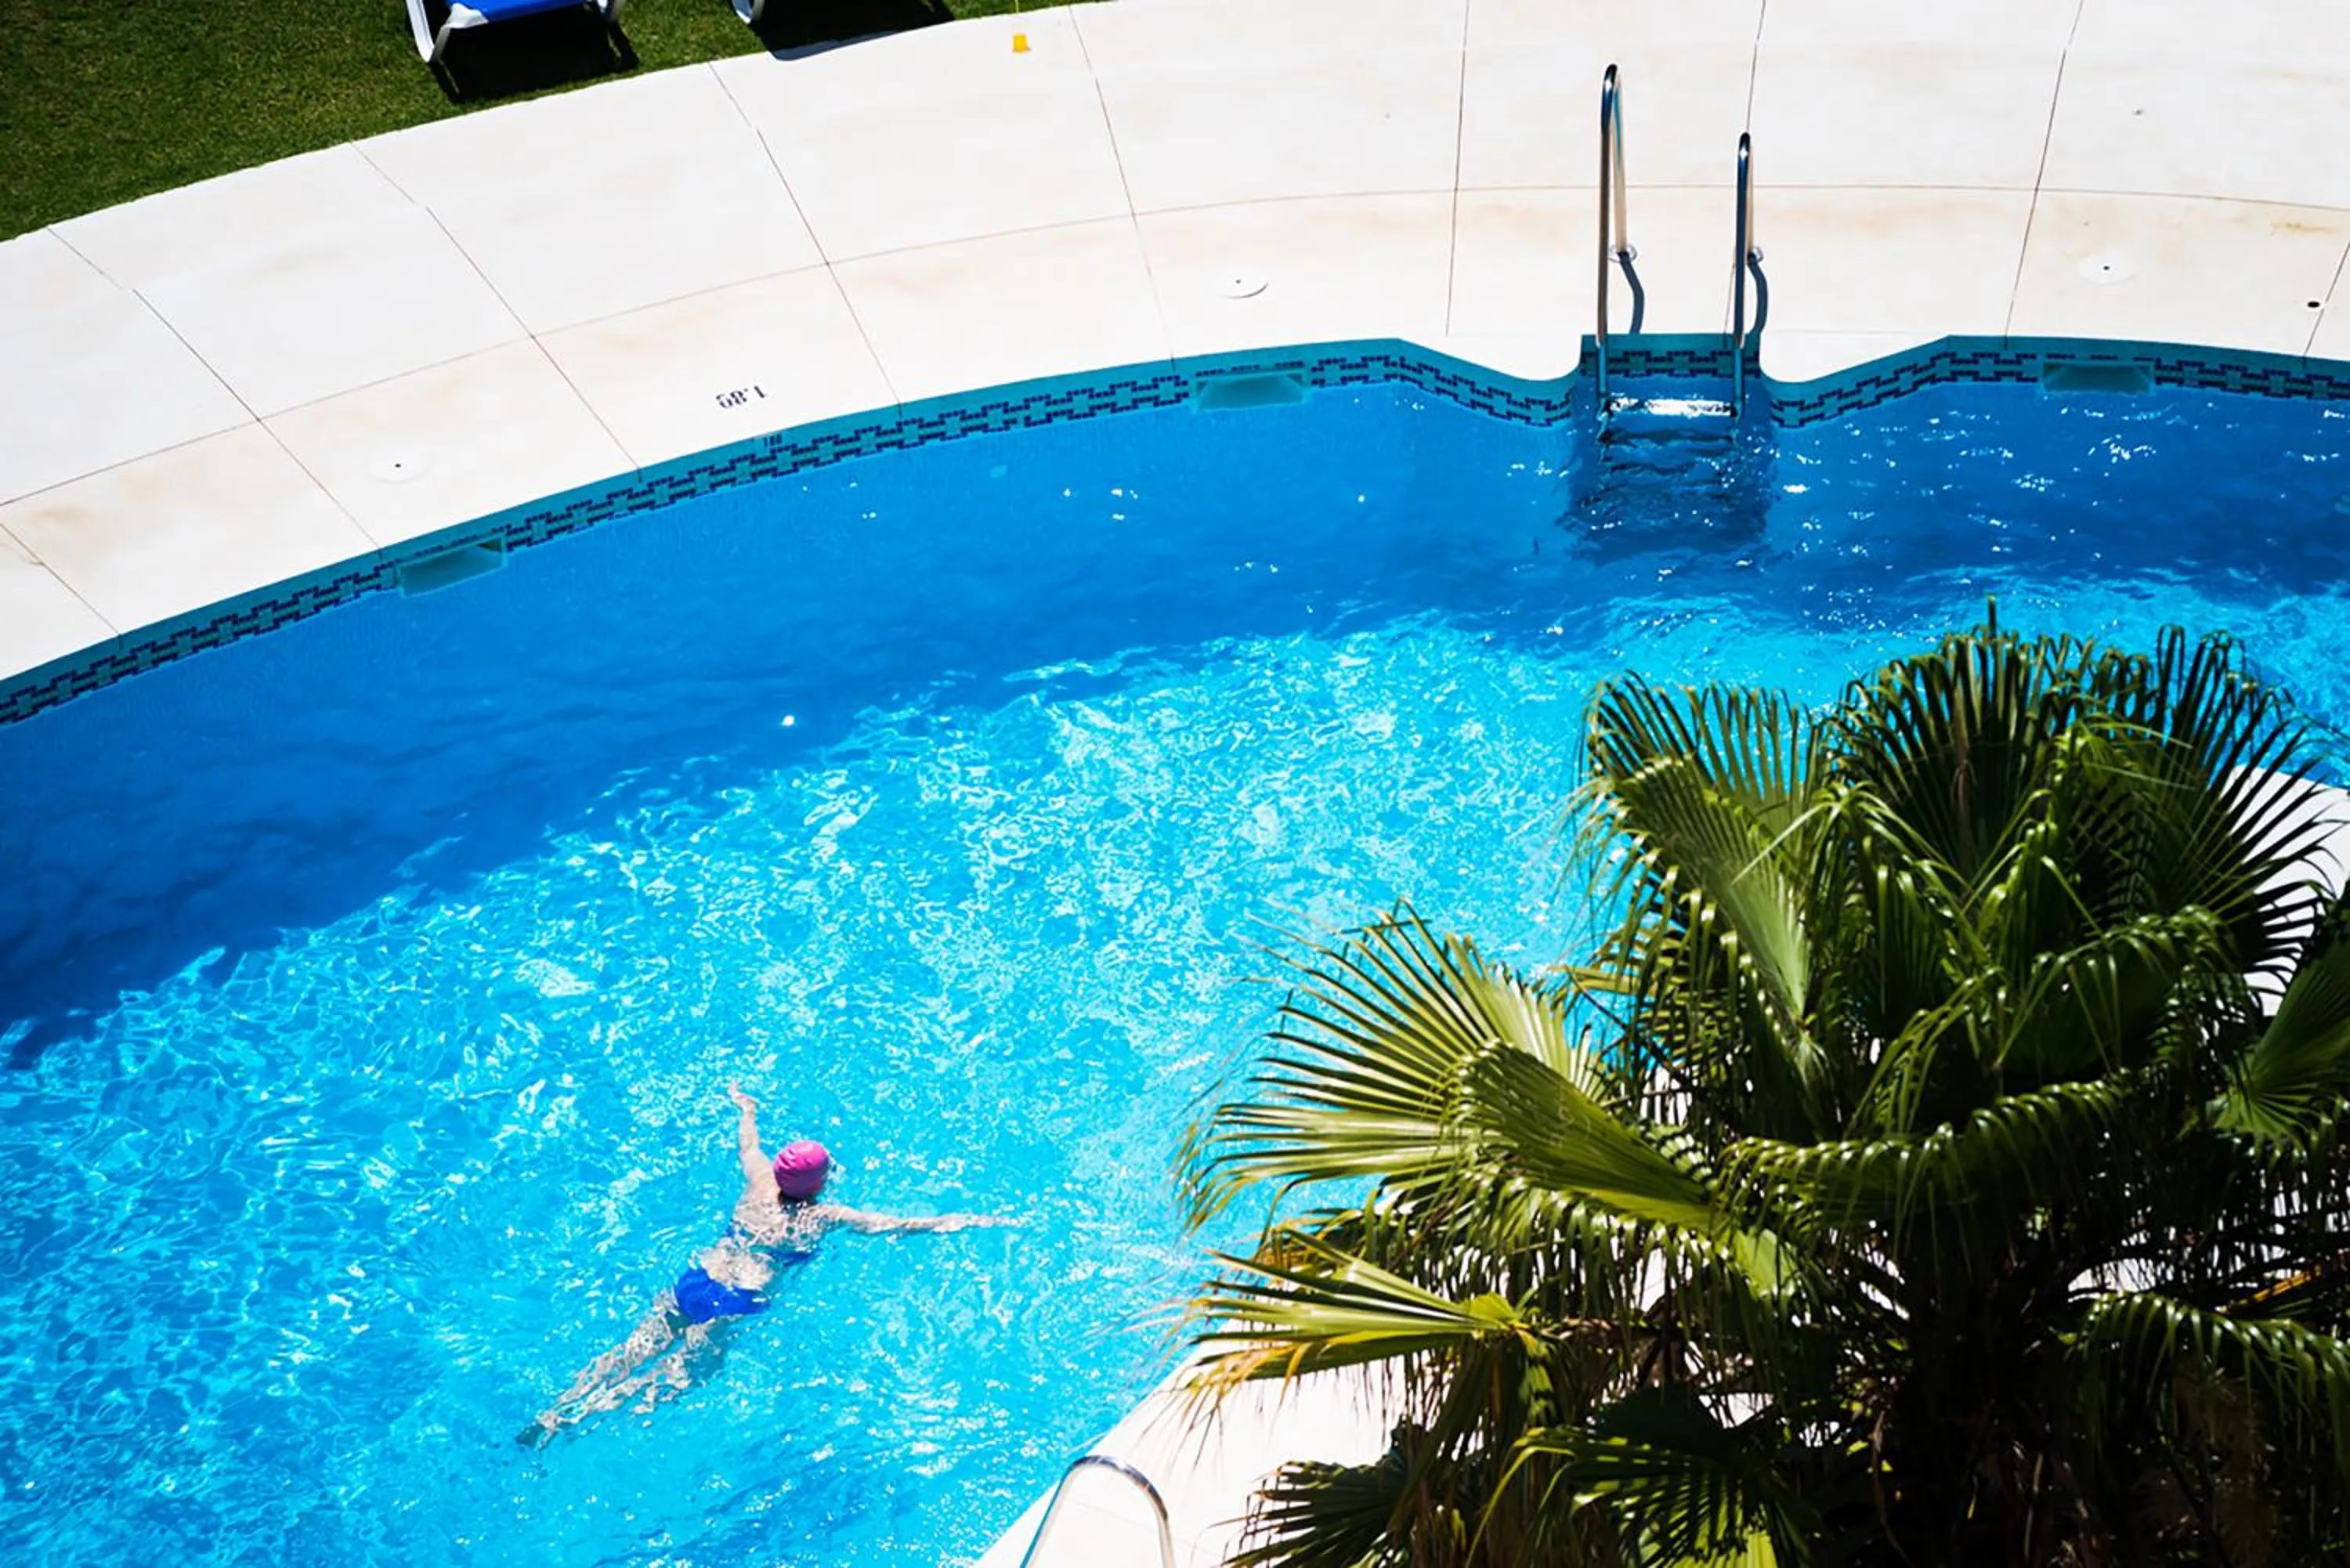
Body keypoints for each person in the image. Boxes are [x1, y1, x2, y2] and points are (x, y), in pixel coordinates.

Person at [523, 1085, 1011, 1444]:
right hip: (734, 1299)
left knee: (630, 1349)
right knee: (681, 1376)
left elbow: (748, 1146)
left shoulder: (759, 1181)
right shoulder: (824, 1217)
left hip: (697, 1277)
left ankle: (558, 1407)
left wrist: (747, 1109)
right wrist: (972, 1221)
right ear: (819, 1185)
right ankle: (585, 1418)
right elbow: (900, 1226)